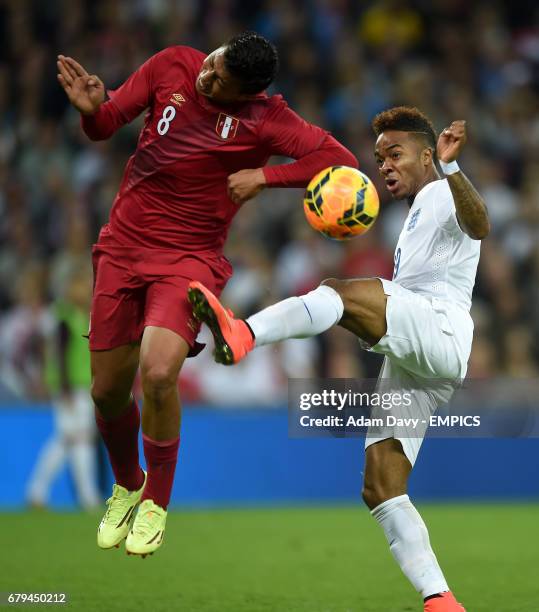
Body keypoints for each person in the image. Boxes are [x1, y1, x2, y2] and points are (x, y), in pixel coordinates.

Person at [56, 31, 357, 557]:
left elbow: (342, 161)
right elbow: (106, 124)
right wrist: (90, 111)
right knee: (106, 390)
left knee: (157, 371)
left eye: (221, 82)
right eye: (214, 63)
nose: (208, 76)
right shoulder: (173, 63)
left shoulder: (267, 118)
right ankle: (127, 483)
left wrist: (266, 177)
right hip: (122, 246)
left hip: (189, 258)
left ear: (247, 95)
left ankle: (157, 500)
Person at [188, 106, 490, 612]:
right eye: (379, 158)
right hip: (418, 355)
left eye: (395, 154)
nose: (384, 166)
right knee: (380, 486)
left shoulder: (442, 191)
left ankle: (243, 334)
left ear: (426, 153)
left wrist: (452, 167)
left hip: (439, 326)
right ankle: (441, 600)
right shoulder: (412, 214)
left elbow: (479, 225)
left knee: (339, 294)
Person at [26, 270, 100, 510]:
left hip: (79, 386)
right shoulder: (64, 317)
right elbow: (60, 353)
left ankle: (48, 492)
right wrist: (65, 387)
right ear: (70, 289)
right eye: (82, 286)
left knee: (73, 440)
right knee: (76, 439)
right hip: (71, 388)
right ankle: (83, 496)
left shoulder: (77, 316)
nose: (86, 291)